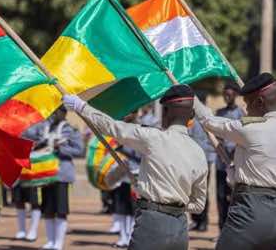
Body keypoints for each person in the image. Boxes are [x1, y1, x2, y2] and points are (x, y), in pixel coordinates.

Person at [64, 85, 207, 250]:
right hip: (180, 230)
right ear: (191, 116)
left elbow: (112, 127)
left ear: (166, 113)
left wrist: (81, 106)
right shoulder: (199, 153)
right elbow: (198, 206)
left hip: (152, 224)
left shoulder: (154, 138)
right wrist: (175, 203)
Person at [195, 72, 276, 250]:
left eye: (247, 104)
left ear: (260, 102)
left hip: (248, 213)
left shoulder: (250, 128)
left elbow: (208, 120)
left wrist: (191, 99)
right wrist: (268, 186)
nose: (245, 110)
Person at [29, 107, 84, 250]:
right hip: (45, 173)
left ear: (64, 113)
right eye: (53, 111)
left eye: (58, 111)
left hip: (61, 174)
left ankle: (59, 243)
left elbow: (79, 150)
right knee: (47, 209)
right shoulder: (44, 128)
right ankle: (50, 241)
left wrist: (61, 149)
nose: (55, 114)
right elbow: (27, 136)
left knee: (60, 209)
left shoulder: (70, 130)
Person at [214, 81, 243, 230]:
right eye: (224, 94)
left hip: (236, 163)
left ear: (236, 95)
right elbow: (216, 134)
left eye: (229, 94)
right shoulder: (219, 113)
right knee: (220, 197)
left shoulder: (241, 114)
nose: (226, 97)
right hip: (221, 162)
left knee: (233, 197)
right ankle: (221, 228)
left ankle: (233, 229)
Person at [112, 110, 141, 248]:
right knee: (122, 207)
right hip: (121, 175)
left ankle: (131, 236)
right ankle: (123, 236)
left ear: (135, 114)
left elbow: (141, 156)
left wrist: (124, 150)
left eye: (130, 112)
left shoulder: (140, 130)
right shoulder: (119, 128)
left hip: (135, 174)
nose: (126, 115)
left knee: (133, 209)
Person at [188, 91, 216, 232]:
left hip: (205, 159)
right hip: (192, 159)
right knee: (192, 190)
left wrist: (210, 158)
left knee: (202, 190)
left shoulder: (208, 116)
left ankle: (203, 221)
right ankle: (195, 220)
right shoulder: (191, 116)